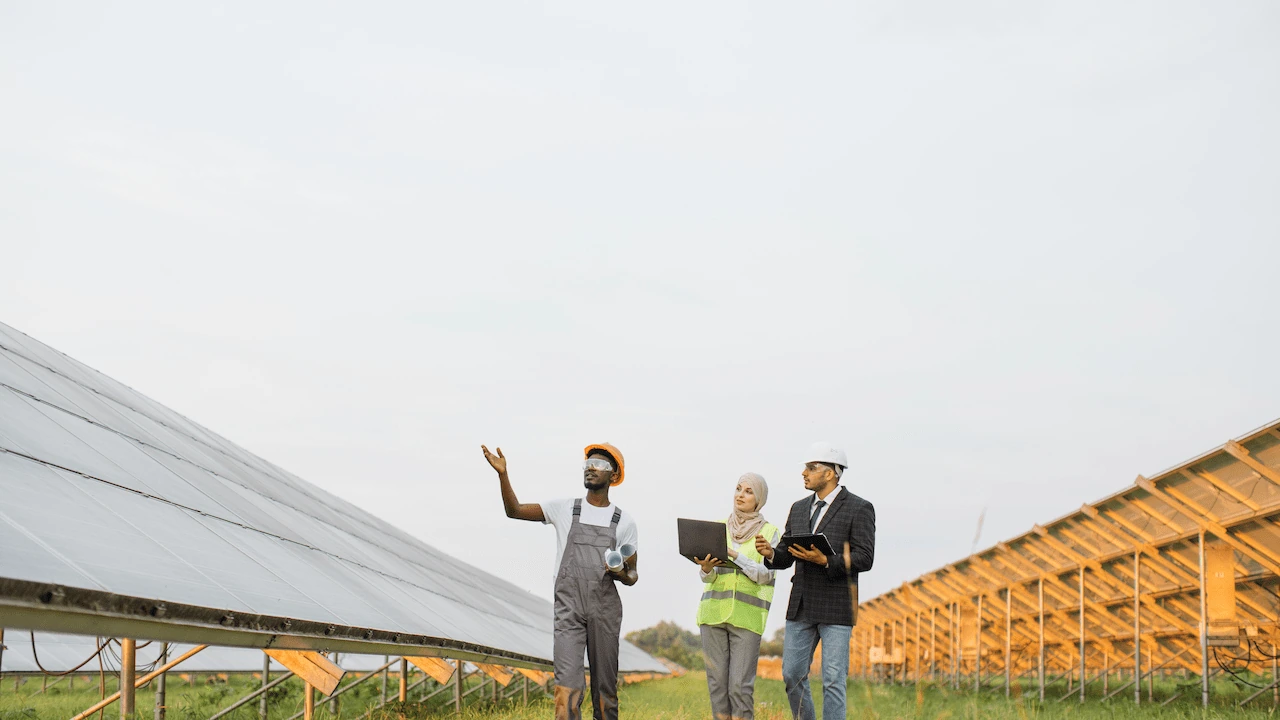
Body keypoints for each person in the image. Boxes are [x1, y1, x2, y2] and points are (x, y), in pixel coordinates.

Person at [482, 442, 639, 720]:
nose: (591, 468)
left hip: (604, 611)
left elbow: (633, 575)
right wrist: (503, 475)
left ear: (614, 476)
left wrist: (620, 573)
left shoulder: (624, 521)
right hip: (569, 610)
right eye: (587, 463)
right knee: (566, 687)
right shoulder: (565, 508)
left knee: (605, 689)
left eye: (600, 465)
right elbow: (515, 510)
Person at [755, 442, 875, 720]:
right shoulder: (798, 509)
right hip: (802, 604)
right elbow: (786, 554)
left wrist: (826, 561)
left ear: (832, 473)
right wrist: (772, 552)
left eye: (812, 468)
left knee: (833, 680)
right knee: (792, 674)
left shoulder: (859, 508)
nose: (805, 473)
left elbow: (865, 557)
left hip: (837, 606)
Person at [694, 472, 782, 720]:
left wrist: (735, 554)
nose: (740, 495)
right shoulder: (718, 527)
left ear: (759, 498)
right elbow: (709, 578)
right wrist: (706, 568)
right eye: (738, 489)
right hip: (712, 615)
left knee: (740, 689)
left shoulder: (770, 532)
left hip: (747, 619)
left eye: (748, 491)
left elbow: (767, 574)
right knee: (717, 688)